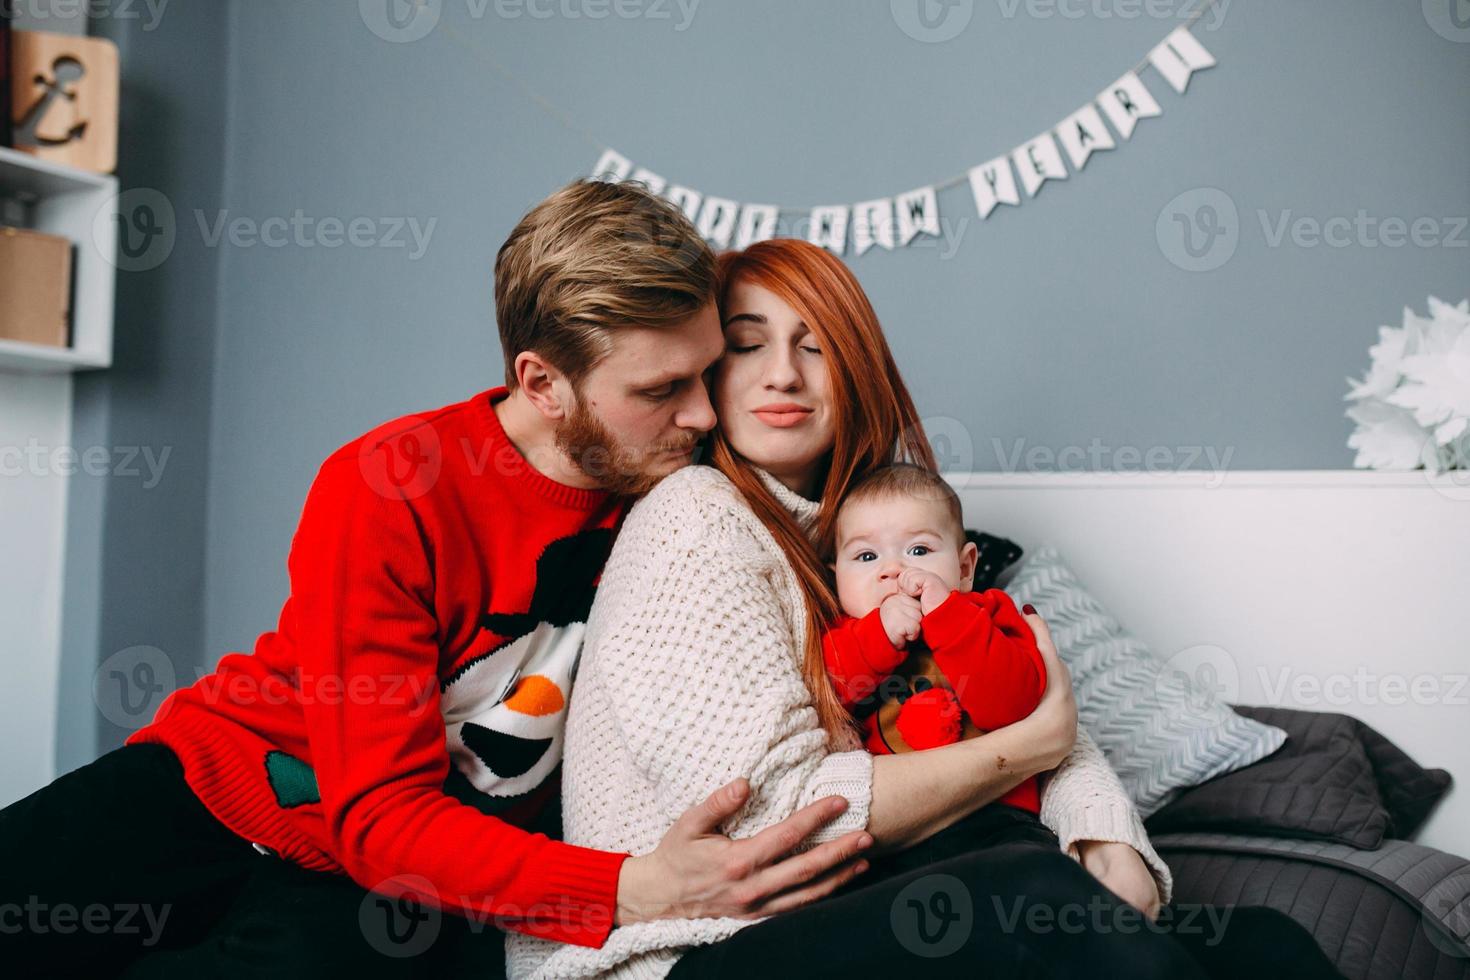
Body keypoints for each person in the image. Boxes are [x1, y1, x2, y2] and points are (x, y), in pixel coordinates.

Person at [0, 181, 876, 979]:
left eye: (707, 372)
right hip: (214, 794)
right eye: (662, 389)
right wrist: (630, 888)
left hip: (380, 886)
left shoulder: (690, 496)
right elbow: (379, 811)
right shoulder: (389, 484)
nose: (699, 411)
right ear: (543, 384)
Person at [505, 238, 1187, 980]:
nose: (783, 374)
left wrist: (1106, 837)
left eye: (816, 347)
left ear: (854, 365)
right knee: (1026, 896)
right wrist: (1029, 749)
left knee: (1268, 945)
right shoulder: (694, 517)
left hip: (826, 914)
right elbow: (777, 819)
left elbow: (1022, 700)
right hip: (675, 953)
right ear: (706, 372)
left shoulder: (871, 533)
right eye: (747, 345)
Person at [821, 461, 1047, 815]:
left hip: (995, 812)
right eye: (866, 556)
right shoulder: (838, 637)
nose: (893, 569)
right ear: (836, 578)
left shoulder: (989, 614)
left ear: (965, 568)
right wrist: (877, 635)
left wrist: (948, 616)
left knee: (1042, 869)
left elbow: (1012, 708)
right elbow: (824, 698)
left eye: (919, 550)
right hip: (894, 820)